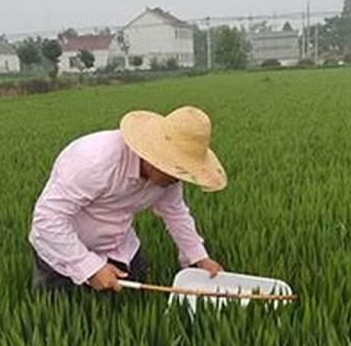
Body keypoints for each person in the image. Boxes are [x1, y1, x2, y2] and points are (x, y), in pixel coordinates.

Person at [28, 105, 228, 292]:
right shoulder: (93, 162)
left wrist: (199, 258)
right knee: (62, 313)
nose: (178, 179)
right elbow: (47, 219)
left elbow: (175, 212)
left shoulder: (168, 178)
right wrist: (88, 267)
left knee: (127, 305)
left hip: (118, 245)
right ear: (154, 157)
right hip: (65, 249)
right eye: (175, 169)